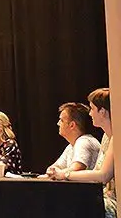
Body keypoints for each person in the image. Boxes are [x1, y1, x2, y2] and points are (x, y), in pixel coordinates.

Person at [54, 88, 116, 218]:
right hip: (102, 196)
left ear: (103, 112)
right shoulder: (106, 137)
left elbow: (103, 175)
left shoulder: (114, 138)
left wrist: (65, 174)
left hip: (113, 201)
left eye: (92, 109)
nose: (90, 114)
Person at [44, 102, 100, 178]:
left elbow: (76, 169)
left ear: (72, 125)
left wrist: (56, 173)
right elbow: (53, 168)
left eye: (61, 120)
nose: (58, 123)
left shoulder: (84, 141)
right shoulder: (71, 146)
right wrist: (53, 172)